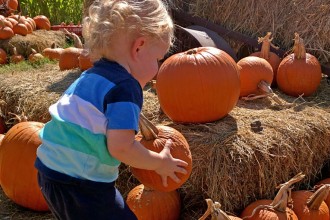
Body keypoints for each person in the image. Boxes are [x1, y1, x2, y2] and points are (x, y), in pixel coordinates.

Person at [35, 0, 188, 219]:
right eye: (157, 59)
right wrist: (160, 163)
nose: (157, 68)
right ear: (138, 47)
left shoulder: (91, 76)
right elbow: (121, 148)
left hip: (50, 171)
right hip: (81, 183)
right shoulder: (126, 88)